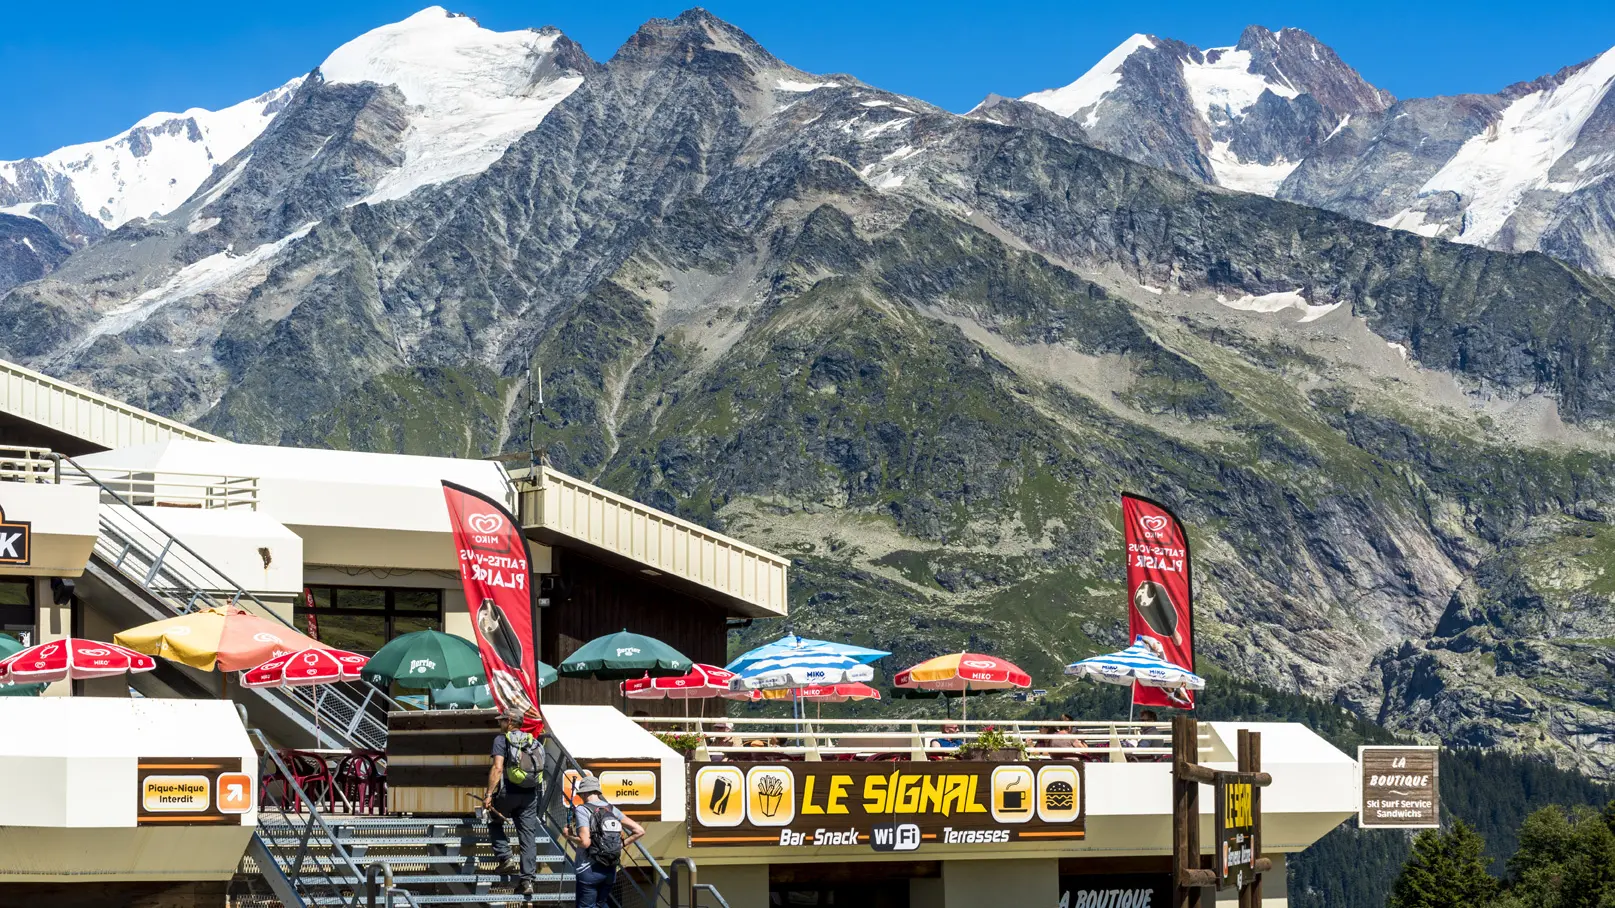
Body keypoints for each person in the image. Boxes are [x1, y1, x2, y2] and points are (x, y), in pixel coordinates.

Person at [485, 705, 543, 896]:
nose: (500, 723)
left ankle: (505, 857)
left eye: (502, 720)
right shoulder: (531, 739)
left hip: (508, 792)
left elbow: (498, 768)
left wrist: (488, 795)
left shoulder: (501, 740)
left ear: (510, 722)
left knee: (493, 819)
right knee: (527, 836)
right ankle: (527, 881)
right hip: (530, 793)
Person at [568, 775, 646, 908]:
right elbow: (639, 830)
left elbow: (585, 842)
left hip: (588, 869)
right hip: (610, 869)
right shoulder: (611, 809)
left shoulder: (582, 809)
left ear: (585, 792)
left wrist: (568, 836)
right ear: (597, 792)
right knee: (602, 904)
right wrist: (621, 845)